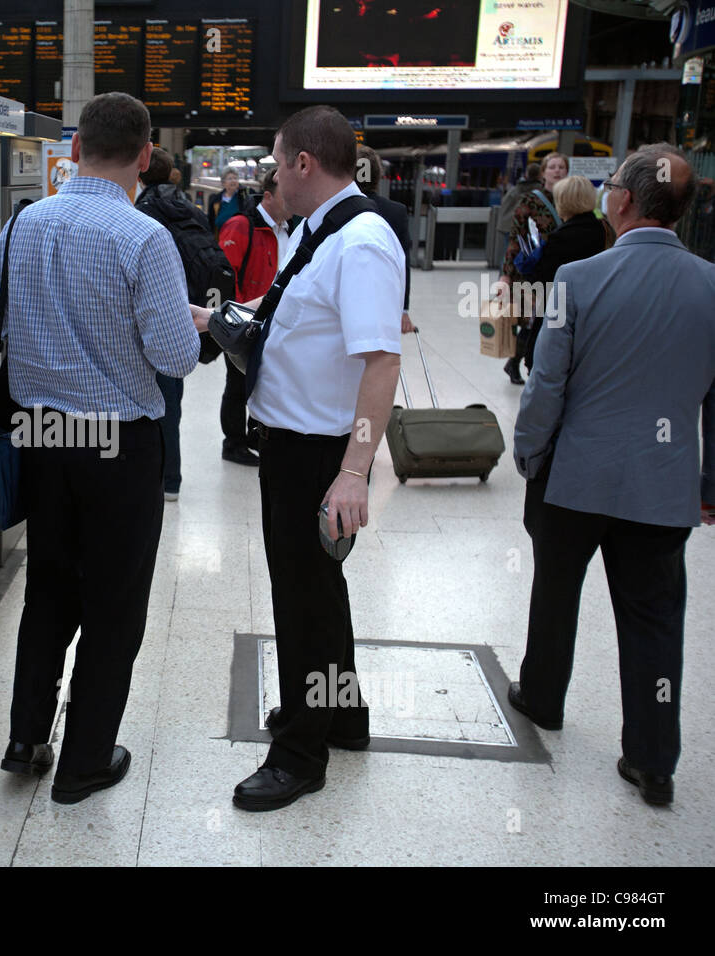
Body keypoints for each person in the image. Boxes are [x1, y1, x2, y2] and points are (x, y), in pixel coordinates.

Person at [193, 105, 403, 811]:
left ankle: (300, 756)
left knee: (303, 603)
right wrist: (214, 316)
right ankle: (341, 714)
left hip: (321, 455)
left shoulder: (362, 242)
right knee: (320, 592)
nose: (272, 175)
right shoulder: (320, 231)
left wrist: (353, 471)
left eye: (277, 162)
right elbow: (293, 316)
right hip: (292, 447)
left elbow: (381, 361)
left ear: (303, 164)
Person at [0, 92, 200, 803]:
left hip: (43, 437)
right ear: (145, 155)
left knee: (49, 585)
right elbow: (175, 356)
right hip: (117, 444)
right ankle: (84, 759)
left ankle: (25, 738)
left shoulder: (23, 225)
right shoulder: (143, 238)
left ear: (74, 148)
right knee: (114, 602)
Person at [511, 144, 715, 808]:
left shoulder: (577, 278)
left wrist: (528, 454)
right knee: (655, 619)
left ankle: (542, 696)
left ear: (622, 200)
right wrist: (710, 488)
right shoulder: (711, 286)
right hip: (663, 487)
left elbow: (547, 386)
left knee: (555, 589)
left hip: (575, 477)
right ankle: (654, 760)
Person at [135, 145, 227, 500]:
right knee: (172, 400)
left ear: (140, 171)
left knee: (155, 399)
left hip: (157, 312)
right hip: (185, 309)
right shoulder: (188, 206)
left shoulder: (145, 211)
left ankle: (159, 480)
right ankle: (171, 479)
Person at [217, 165, 290, 466]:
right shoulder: (242, 225)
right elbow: (224, 273)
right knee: (236, 384)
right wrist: (234, 318)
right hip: (244, 320)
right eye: (287, 196)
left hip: (276, 321)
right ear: (269, 196)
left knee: (262, 380)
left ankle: (252, 435)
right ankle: (232, 443)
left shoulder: (292, 228)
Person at [500, 151, 568, 384]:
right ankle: (517, 361)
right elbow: (516, 238)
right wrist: (506, 275)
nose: (557, 171)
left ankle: (526, 362)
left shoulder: (571, 199)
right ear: (543, 173)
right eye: (553, 167)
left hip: (561, 269)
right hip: (532, 271)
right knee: (531, 320)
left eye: (561, 167)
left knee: (554, 321)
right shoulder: (531, 200)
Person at [525, 175, 606, 370]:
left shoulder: (562, 237)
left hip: (559, 311)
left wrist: (532, 263)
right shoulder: (601, 230)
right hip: (592, 309)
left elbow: (544, 280)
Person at [355, 144, 416, 334]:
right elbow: (402, 263)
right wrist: (403, 310)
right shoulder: (396, 212)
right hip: (383, 303)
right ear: (378, 176)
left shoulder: (333, 209)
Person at [497, 162, 542, 266]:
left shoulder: (516, 189)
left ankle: (504, 276)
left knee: (508, 253)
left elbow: (505, 204)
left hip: (508, 225)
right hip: (528, 229)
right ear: (540, 175)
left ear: (526, 174)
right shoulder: (540, 191)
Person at [207, 168, 256, 236]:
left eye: (235, 178)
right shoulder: (216, 200)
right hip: (221, 239)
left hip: (242, 237)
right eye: (230, 179)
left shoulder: (245, 195)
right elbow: (211, 221)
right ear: (223, 183)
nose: (233, 181)